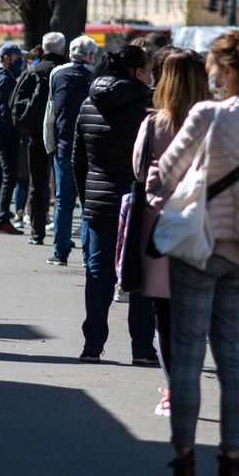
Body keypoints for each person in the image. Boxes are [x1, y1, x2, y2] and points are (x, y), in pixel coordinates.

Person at [150, 33, 239, 476]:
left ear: (224, 71)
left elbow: (167, 168)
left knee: (187, 352)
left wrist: (174, 182)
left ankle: (184, 459)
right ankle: (231, 461)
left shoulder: (205, 114)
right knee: (231, 353)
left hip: (202, 243)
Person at [131, 49, 210, 417]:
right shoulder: (214, 122)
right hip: (205, 230)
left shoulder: (153, 125)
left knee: (165, 316)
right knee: (202, 317)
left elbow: (136, 168)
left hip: (160, 230)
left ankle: (176, 390)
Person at [74, 45, 157, 364]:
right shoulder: (148, 106)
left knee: (98, 273)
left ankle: (92, 345)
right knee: (139, 275)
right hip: (137, 199)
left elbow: (77, 159)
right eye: (149, 70)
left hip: (98, 200)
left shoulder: (88, 102)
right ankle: (141, 348)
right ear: (136, 72)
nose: (151, 76)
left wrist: (87, 198)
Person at [43, 35, 99, 265]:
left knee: (63, 202)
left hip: (64, 146)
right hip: (89, 148)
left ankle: (60, 251)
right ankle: (88, 255)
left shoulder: (58, 74)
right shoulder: (96, 77)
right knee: (87, 204)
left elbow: (51, 111)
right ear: (91, 55)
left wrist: (50, 144)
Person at [12, 32, 69, 246]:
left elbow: (15, 104)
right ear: (62, 50)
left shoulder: (33, 71)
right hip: (64, 136)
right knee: (64, 187)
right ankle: (62, 235)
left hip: (36, 135)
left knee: (37, 183)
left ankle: (37, 232)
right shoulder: (69, 71)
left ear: (44, 49)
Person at [0, 42, 24, 235]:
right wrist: (16, 131)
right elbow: (6, 112)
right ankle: (2, 219)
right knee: (9, 176)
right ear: (7, 57)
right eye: (18, 58)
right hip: (4, 133)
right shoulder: (6, 81)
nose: (21, 62)